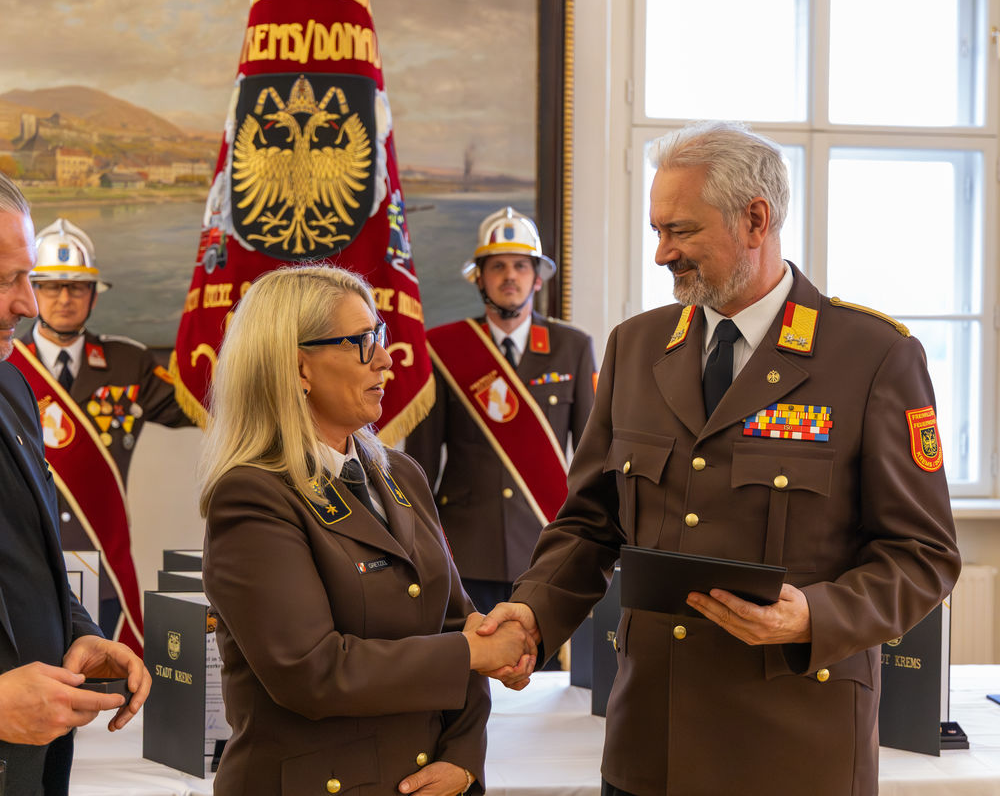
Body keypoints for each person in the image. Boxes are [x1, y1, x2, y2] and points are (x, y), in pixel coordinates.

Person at [477, 122, 962, 796]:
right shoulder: (635, 347)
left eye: (680, 231)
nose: (661, 254)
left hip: (794, 751)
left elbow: (923, 555)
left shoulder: (873, 356)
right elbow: (590, 523)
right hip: (651, 747)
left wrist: (815, 615)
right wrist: (533, 611)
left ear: (755, 220)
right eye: (656, 231)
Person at [199, 264, 533, 796]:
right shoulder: (253, 495)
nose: (385, 358)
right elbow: (312, 671)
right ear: (298, 367)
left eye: (379, 334)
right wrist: (470, 652)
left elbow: (459, 620)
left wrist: (463, 757)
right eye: (361, 342)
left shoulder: (401, 474)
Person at [0, 171, 151, 795]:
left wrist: (81, 632)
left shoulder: (12, 388)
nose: (30, 305)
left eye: (27, 278)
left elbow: (26, 560)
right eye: (6, 280)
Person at [12, 217, 194, 650]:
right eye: (51, 287)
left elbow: (200, 407)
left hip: (103, 566)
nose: (64, 298)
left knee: (108, 679)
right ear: (32, 291)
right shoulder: (6, 365)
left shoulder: (129, 363)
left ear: (94, 295)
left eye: (77, 287)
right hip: (25, 565)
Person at [406, 207, 596, 615]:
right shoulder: (444, 349)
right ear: (479, 278)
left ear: (537, 278)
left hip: (545, 545)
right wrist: (420, 541)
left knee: (545, 658)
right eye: (497, 266)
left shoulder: (573, 347)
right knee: (471, 653)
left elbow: (590, 455)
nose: (510, 276)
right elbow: (421, 462)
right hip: (466, 548)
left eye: (521, 266)